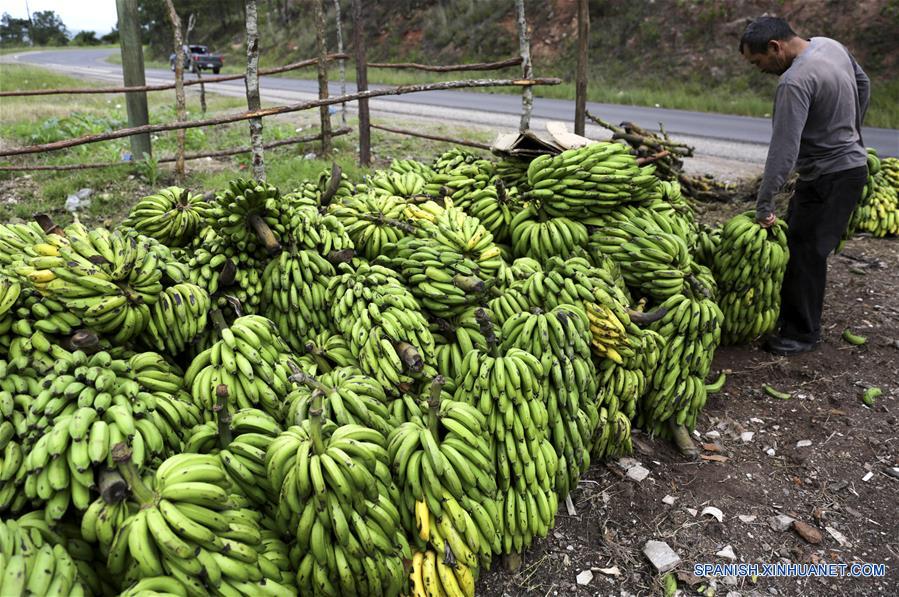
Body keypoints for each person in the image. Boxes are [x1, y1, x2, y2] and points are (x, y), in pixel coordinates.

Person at [739, 16, 870, 356]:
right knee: (801, 240)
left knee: (805, 253)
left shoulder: (793, 82)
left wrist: (764, 204)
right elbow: (863, 82)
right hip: (850, 169)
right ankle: (795, 320)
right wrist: (853, 131)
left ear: (775, 47)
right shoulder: (830, 45)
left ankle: (801, 334)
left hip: (829, 176)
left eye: (758, 62)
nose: (760, 69)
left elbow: (783, 150)